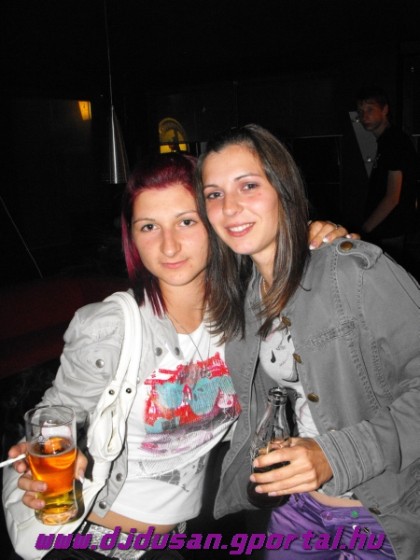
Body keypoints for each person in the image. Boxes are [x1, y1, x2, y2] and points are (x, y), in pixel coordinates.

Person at [3, 152, 348, 560]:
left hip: (183, 541)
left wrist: (326, 247)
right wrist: (42, 455)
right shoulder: (111, 325)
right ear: (132, 237)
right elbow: (57, 412)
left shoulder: (248, 316)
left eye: (186, 221)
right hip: (92, 544)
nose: (169, 245)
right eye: (149, 226)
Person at [195, 124, 420, 560]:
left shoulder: (352, 271)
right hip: (298, 507)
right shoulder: (246, 297)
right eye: (214, 194)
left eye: (248, 185)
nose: (230, 207)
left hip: (381, 514)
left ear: (283, 188)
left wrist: (335, 455)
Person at [356, 86, 418, 262]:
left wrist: (364, 231)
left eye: (370, 109)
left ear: (384, 110)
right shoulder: (387, 141)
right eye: (360, 111)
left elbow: (392, 197)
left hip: (390, 231)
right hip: (387, 230)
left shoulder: (394, 142)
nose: (364, 116)